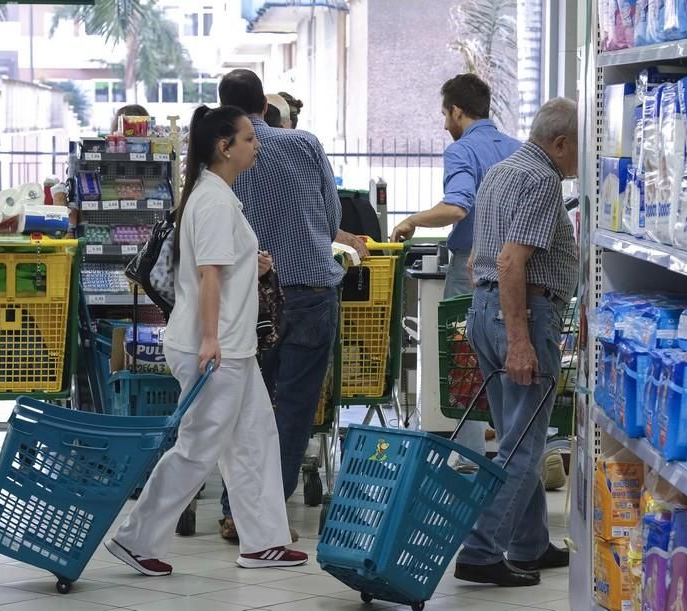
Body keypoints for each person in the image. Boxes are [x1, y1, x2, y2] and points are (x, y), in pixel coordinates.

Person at [106, 105, 308, 575]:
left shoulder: (213, 194)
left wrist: (248, 264)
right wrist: (212, 340)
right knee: (199, 447)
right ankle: (137, 539)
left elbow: (219, 266)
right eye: (248, 139)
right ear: (224, 147)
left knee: (254, 439)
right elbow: (207, 275)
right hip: (217, 348)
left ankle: (264, 542)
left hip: (233, 347)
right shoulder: (214, 201)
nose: (256, 145)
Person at [215, 69, 368, 542]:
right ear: (265, 105)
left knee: (244, 406)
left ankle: (233, 509)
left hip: (248, 298)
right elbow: (329, 220)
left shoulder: (219, 159)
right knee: (294, 408)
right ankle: (266, 516)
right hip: (307, 294)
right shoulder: (303, 145)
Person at [454, 97, 578, 587]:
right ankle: (481, 551)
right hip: (523, 314)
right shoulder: (543, 179)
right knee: (523, 449)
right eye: (579, 148)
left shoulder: (502, 171)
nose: (579, 160)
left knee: (515, 438)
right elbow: (510, 262)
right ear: (561, 143)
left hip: (485, 312)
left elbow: (477, 260)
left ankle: (528, 545)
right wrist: (521, 340)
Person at [390, 73, 520, 470]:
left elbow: (457, 206)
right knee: (511, 358)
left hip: (473, 268)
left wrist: (411, 220)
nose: (445, 124)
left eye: (445, 114)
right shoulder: (517, 149)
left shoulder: (463, 151)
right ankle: (515, 451)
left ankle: (468, 456)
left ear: (458, 112)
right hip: (518, 267)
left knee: (464, 360)